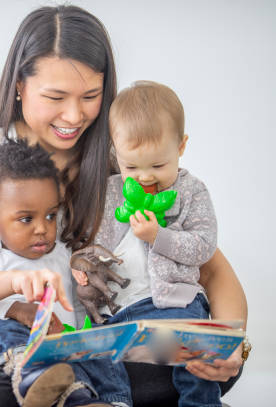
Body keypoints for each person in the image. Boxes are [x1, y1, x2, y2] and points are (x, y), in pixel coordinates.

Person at [0, 5, 247, 407]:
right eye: (55, 97)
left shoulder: (120, 168)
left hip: (77, 356)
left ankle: (76, 395)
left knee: (198, 371)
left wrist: (233, 345)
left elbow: (210, 265)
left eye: (90, 96)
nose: (74, 115)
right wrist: (13, 285)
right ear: (19, 86)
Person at [72, 80, 223, 406]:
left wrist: (159, 237)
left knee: (195, 354)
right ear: (115, 153)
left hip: (175, 304)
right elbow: (91, 244)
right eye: (131, 167)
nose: (144, 177)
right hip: (120, 313)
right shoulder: (110, 192)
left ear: (181, 147)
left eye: (158, 165)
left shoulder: (191, 192)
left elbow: (203, 246)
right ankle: (115, 401)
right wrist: (83, 266)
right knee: (92, 358)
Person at [0, 139, 131, 406]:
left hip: (57, 345)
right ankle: (32, 376)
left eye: (50, 216)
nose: (42, 228)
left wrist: (75, 331)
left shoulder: (63, 255)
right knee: (2, 329)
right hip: (10, 345)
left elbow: (75, 306)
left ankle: (109, 400)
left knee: (101, 345)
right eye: (26, 219)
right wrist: (18, 311)